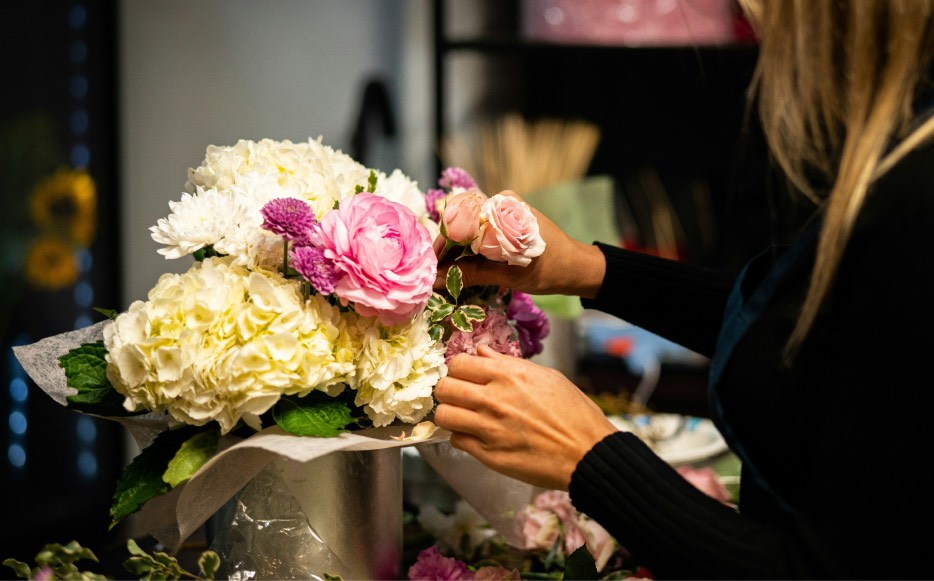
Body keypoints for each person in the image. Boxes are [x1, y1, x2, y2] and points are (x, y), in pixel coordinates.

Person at [432, 0, 934, 578]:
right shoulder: (901, 160)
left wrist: (589, 455)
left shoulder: (919, 207)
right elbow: (808, 329)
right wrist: (589, 269)